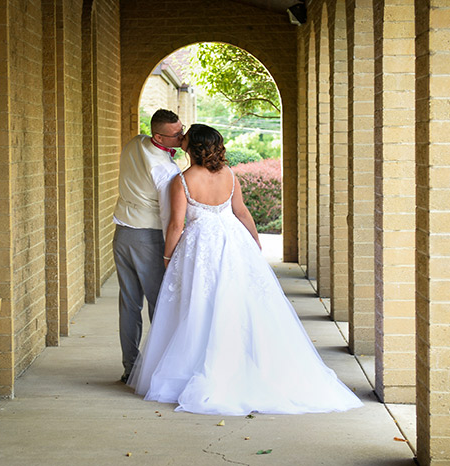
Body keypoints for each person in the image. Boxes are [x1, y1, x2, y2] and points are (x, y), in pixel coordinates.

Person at [127, 124, 363, 415]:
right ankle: (239, 360)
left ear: (192, 146)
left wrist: (167, 258)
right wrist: (253, 239)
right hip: (233, 241)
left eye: (185, 137)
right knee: (238, 301)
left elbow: (177, 225)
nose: (182, 138)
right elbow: (241, 212)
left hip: (200, 246)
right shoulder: (229, 175)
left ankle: (198, 364)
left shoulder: (183, 180)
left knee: (199, 304)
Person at [113, 109, 184, 384]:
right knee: (159, 304)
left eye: (182, 129)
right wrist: (170, 252)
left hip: (123, 234)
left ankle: (130, 367)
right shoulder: (163, 169)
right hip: (150, 236)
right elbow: (170, 217)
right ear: (158, 136)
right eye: (176, 134)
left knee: (129, 304)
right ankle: (160, 370)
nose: (182, 135)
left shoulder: (135, 143)